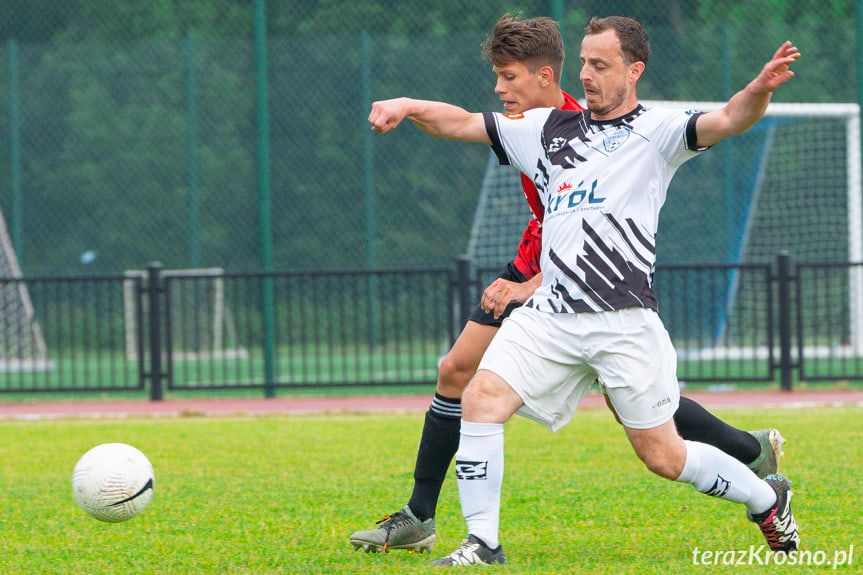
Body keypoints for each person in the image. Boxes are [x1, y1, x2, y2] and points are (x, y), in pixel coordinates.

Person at [351, 15, 789, 558]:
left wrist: (758, 90)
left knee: (662, 455)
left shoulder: (660, 129)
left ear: (634, 71)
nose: (585, 74)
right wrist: (409, 106)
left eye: (599, 65)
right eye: (583, 62)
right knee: (478, 394)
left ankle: (764, 498)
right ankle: (479, 542)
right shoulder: (546, 128)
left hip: (620, 318)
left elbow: (729, 118)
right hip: (551, 315)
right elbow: (461, 122)